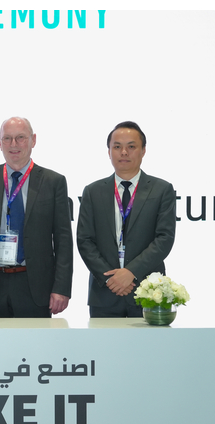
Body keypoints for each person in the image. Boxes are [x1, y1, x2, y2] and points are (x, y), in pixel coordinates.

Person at [0, 117, 73, 318]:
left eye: (20, 137)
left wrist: (61, 287)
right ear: (0, 143)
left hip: (36, 286)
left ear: (33, 140)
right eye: (7, 138)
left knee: (34, 339)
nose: (13, 144)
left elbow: (63, 239)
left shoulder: (53, 181)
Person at [77, 121, 176, 317]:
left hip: (148, 291)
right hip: (104, 293)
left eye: (131, 146)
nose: (124, 152)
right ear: (109, 151)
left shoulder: (161, 190)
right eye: (117, 147)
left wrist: (131, 272)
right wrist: (110, 279)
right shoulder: (93, 191)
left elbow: (164, 238)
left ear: (143, 150)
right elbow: (85, 240)